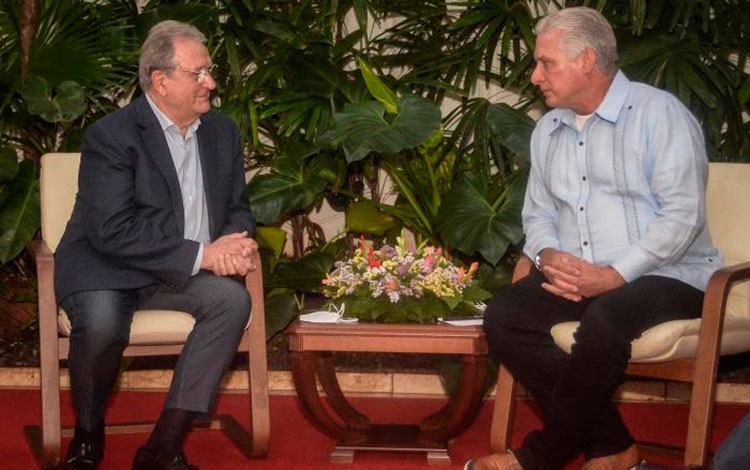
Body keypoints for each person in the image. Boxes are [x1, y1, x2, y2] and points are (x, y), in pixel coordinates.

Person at [466, 7, 722, 470]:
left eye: (547, 63)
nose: (536, 75)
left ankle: (540, 457)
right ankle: (613, 445)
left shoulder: (658, 114)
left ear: (586, 60)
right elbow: (538, 213)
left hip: (669, 275)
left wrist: (613, 275)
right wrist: (548, 256)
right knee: (505, 317)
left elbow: (682, 217)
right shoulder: (549, 129)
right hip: (581, 276)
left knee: (604, 320)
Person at [54, 20, 258, 470]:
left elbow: (238, 207)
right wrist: (204, 254)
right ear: (160, 81)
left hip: (177, 274)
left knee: (231, 301)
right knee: (104, 323)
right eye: (198, 73)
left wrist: (236, 240)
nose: (211, 82)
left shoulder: (222, 132)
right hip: (107, 266)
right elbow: (111, 230)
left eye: (210, 70)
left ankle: (163, 447)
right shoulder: (112, 136)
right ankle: (87, 436)